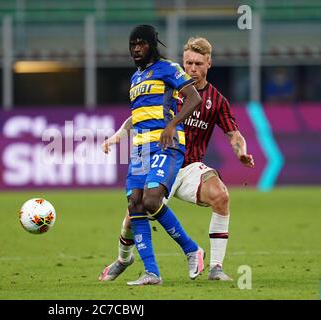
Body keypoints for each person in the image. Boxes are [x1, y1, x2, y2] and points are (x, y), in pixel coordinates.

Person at [99, 36, 255, 282]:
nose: (192, 69)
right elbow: (139, 115)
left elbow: (234, 134)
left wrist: (241, 152)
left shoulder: (217, 101)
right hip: (159, 161)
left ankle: (215, 267)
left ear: (208, 64)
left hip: (189, 166)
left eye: (198, 64)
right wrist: (118, 136)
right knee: (133, 215)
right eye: (188, 63)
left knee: (221, 196)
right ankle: (123, 258)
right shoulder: (171, 86)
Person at [112, 25, 205, 286]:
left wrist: (172, 124)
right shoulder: (135, 78)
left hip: (166, 144)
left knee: (152, 200)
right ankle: (152, 273)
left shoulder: (168, 68)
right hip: (139, 148)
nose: (136, 48)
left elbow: (193, 98)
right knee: (135, 204)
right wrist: (119, 135)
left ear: (152, 45)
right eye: (133, 44)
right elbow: (140, 114)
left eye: (141, 43)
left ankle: (192, 249)